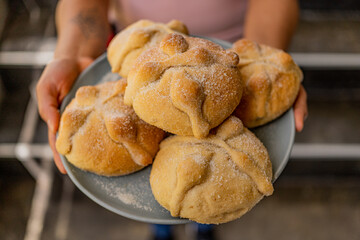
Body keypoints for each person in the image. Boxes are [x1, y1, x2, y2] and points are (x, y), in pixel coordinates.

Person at [36, 0, 308, 239]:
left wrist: (269, 63)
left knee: (194, 199)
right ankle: (162, 230)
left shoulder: (226, 76)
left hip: (230, 52)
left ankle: (203, 228)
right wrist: (71, 54)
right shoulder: (140, 74)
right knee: (166, 203)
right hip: (144, 43)